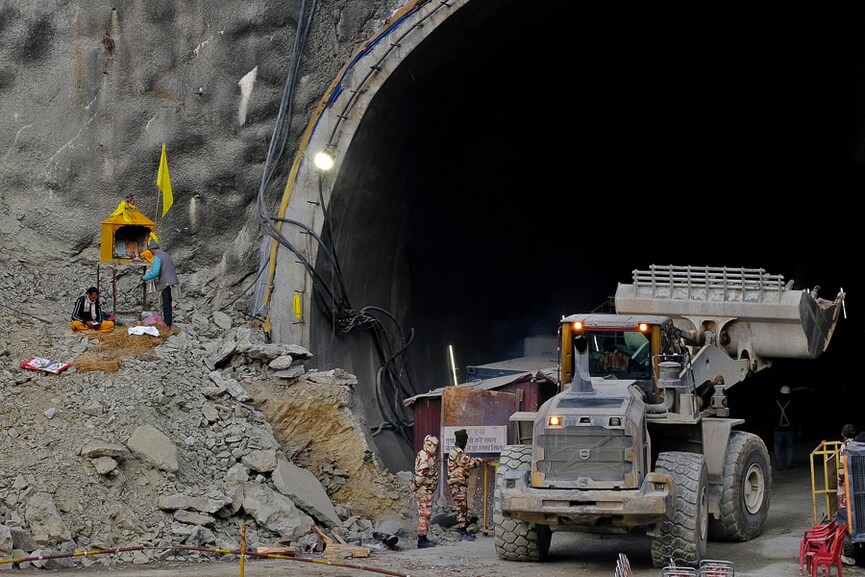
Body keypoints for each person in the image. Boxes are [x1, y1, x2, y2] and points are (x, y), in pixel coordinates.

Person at [447, 429, 484, 541]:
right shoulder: (458, 453)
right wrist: (482, 460)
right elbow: (470, 463)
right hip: (457, 484)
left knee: (462, 507)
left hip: (458, 484)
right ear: (462, 441)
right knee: (461, 508)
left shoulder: (456, 452)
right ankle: (462, 531)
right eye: (465, 440)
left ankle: (462, 528)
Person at [141, 240, 180, 328]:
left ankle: (168, 325)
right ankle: (168, 323)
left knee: (166, 305)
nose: (150, 253)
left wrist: (144, 277)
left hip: (166, 282)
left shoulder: (157, 257)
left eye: (150, 251)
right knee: (168, 303)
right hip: (172, 281)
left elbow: (155, 272)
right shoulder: (166, 254)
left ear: (153, 250)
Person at [411, 434, 439, 549]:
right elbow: (421, 475)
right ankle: (421, 540)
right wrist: (414, 487)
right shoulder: (425, 458)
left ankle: (423, 537)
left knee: (425, 515)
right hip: (424, 491)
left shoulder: (425, 455)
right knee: (424, 515)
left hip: (426, 490)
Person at [773, 385, 795, 470]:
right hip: (789, 428)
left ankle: (779, 461)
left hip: (778, 429)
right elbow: (794, 416)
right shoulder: (791, 403)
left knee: (777, 446)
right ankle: (789, 464)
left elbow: (772, 416)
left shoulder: (776, 403)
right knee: (789, 446)